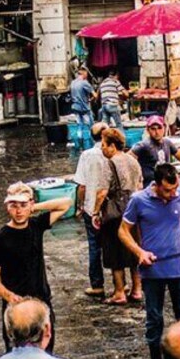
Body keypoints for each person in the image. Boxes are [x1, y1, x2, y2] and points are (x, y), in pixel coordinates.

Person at [118, 164, 180, 359]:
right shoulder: (139, 200)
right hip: (153, 271)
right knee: (154, 321)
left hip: (178, 268)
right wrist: (140, 253)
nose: (171, 194)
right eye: (167, 190)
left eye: (174, 189)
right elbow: (123, 231)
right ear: (155, 184)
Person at [0, 182, 72, 354]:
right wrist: (10, 297)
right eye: (14, 206)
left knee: (46, 350)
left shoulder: (36, 225)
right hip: (16, 305)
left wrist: (34, 207)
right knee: (16, 352)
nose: (18, 211)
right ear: (7, 207)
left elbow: (66, 203)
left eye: (23, 205)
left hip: (41, 299)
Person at [94, 128, 143, 305]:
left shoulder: (110, 163)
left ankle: (119, 291)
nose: (102, 148)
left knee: (114, 252)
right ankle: (137, 289)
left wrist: (95, 212)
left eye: (104, 144)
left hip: (115, 212)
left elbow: (102, 192)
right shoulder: (133, 161)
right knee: (133, 250)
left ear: (112, 146)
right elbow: (139, 184)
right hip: (134, 209)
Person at [74, 123, 110, 298]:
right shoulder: (115, 154)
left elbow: (81, 185)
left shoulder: (87, 155)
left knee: (94, 246)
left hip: (91, 206)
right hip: (112, 207)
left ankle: (97, 284)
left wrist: (80, 206)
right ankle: (122, 284)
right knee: (115, 244)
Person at [130, 116, 180, 186]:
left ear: (164, 128)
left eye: (159, 128)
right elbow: (128, 159)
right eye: (153, 129)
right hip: (150, 185)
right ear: (148, 130)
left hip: (166, 183)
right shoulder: (143, 145)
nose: (157, 132)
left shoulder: (167, 143)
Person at [70, 67, 95, 145]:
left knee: (79, 125)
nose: (87, 75)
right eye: (87, 73)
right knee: (90, 125)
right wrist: (91, 99)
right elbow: (95, 95)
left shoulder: (73, 82)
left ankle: (79, 143)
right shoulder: (85, 83)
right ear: (84, 73)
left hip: (75, 106)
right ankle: (91, 143)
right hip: (84, 108)